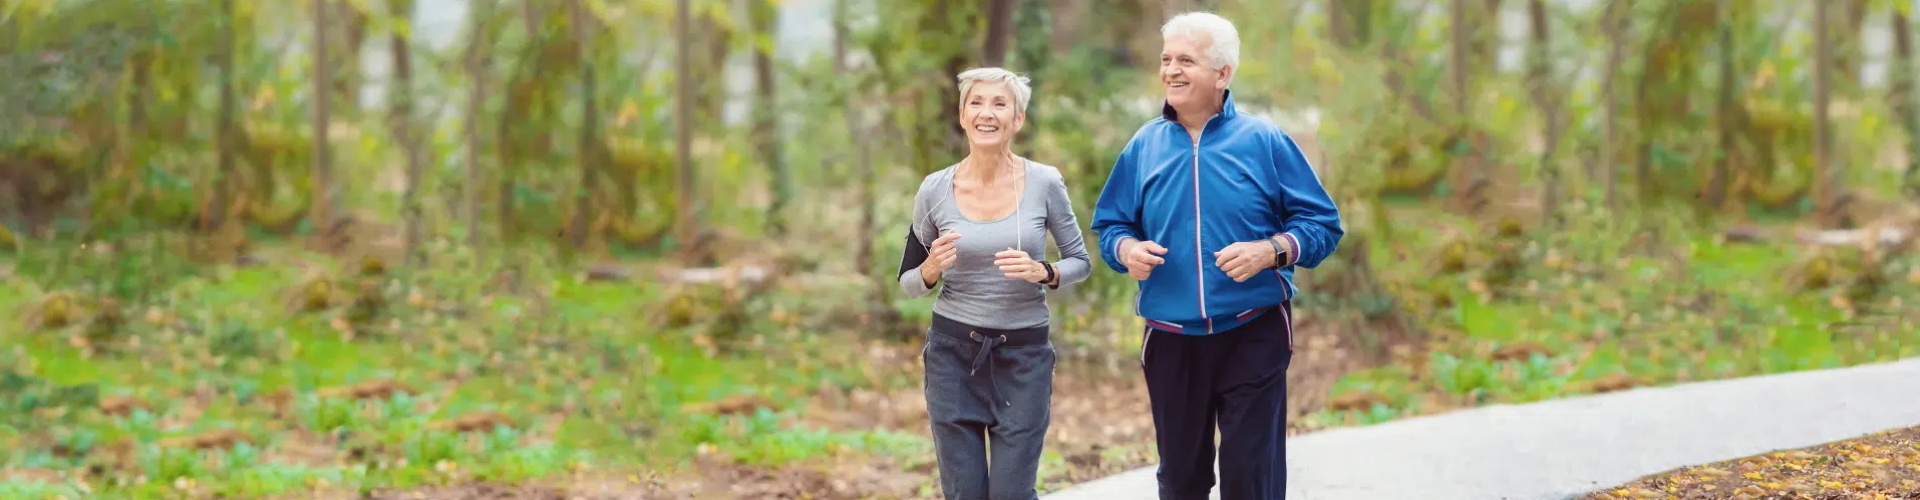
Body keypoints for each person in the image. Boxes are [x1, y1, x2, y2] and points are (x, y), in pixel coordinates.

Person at [1089, 11, 1343, 500]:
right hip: (1170, 339)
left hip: (1253, 329)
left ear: (1222, 74)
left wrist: (1270, 251)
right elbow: (1111, 225)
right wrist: (1126, 249)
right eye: (1166, 59)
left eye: (1186, 60)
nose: (1171, 70)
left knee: (1252, 479)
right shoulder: (1144, 145)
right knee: (1181, 481)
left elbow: (1323, 226)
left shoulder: (1263, 141)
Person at [896, 67, 1092, 500]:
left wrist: (1045, 272)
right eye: (977, 103)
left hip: (1023, 357)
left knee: (1011, 493)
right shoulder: (935, 190)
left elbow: (1080, 261)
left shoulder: (1044, 182)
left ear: (1017, 119)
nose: (987, 113)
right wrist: (930, 269)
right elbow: (909, 283)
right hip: (953, 357)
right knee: (965, 492)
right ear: (963, 115)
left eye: (1000, 103)